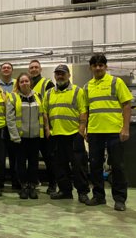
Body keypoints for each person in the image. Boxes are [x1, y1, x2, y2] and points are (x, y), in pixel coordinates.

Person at [84, 54, 132, 211]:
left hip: (114, 131)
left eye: (101, 65)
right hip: (95, 131)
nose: (98, 68)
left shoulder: (115, 82)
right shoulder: (87, 87)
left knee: (118, 166)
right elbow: (86, 110)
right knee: (95, 165)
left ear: (105, 67)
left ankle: (119, 199)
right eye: (95, 65)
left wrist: (125, 128)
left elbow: (126, 104)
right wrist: (85, 129)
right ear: (91, 68)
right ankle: (98, 196)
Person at [43, 65, 90, 203]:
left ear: (69, 75)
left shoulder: (78, 91)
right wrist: (47, 130)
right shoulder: (49, 93)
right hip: (56, 135)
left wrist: (81, 131)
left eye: (62, 74)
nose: (60, 76)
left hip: (74, 135)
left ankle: (82, 192)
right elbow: (45, 112)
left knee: (79, 166)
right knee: (60, 166)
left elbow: (83, 111)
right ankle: (65, 191)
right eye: (57, 74)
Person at [6, 72, 44, 200]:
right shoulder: (13, 97)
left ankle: (32, 187)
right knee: (21, 164)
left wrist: (42, 134)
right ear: (18, 84)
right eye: (21, 81)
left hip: (35, 137)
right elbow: (10, 119)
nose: (24, 83)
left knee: (34, 164)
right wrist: (15, 137)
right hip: (20, 139)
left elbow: (43, 116)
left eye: (26, 81)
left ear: (30, 82)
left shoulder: (38, 97)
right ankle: (23, 187)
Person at [29, 60, 57, 193]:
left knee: (49, 158)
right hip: (32, 129)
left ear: (40, 70)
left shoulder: (47, 83)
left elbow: (51, 105)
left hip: (45, 128)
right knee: (33, 159)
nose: (34, 69)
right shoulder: (27, 84)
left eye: (36, 67)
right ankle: (33, 182)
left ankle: (53, 184)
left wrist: (48, 128)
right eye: (31, 68)